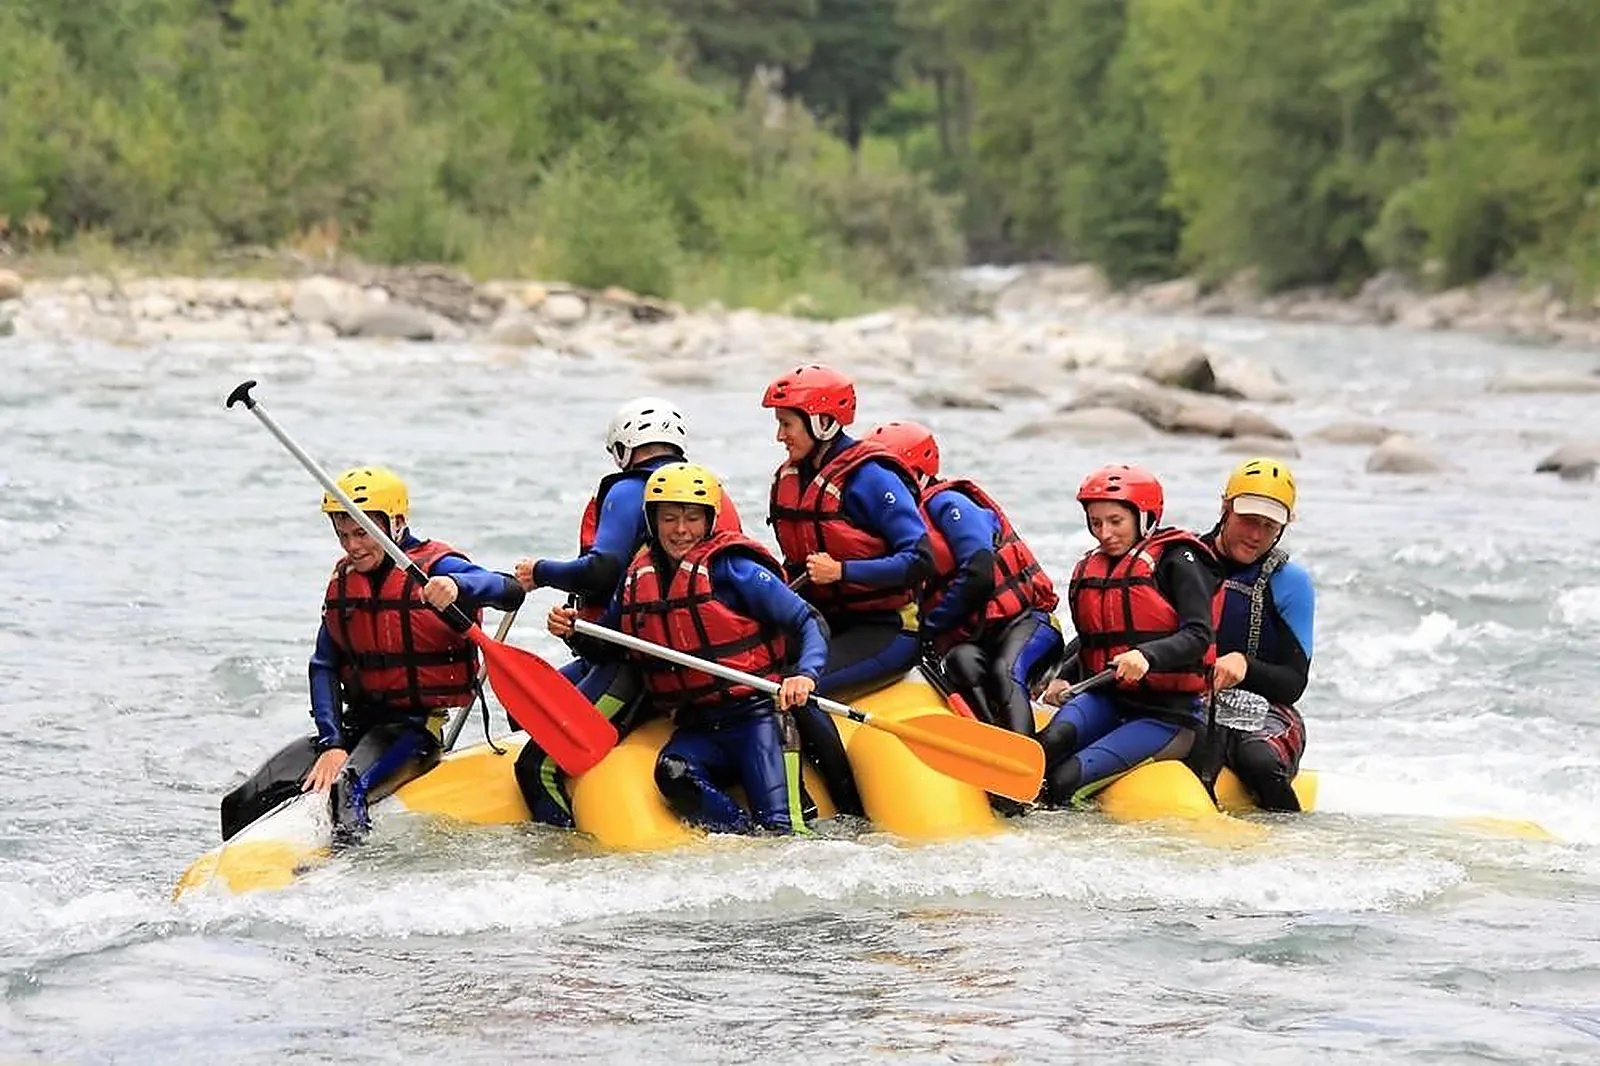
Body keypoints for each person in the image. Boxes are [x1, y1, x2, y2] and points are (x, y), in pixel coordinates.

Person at [220, 466, 526, 843]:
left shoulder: (436, 566)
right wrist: (332, 743)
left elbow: (509, 590)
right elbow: (324, 666)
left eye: (362, 532)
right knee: (241, 801)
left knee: (346, 788)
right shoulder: (345, 580)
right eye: (343, 535)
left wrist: (457, 585)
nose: (352, 546)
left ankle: (349, 868)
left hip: (414, 729)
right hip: (356, 725)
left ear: (395, 524)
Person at [548, 463, 826, 834]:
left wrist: (805, 674)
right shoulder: (636, 579)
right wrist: (573, 632)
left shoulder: (735, 569)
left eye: (693, 518)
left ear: (709, 521)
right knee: (673, 773)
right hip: (699, 725)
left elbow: (807, 621)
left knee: (780, 828)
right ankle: (740, 836)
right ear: (652, 521)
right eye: (669, 518)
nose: (681, 530)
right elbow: (608, 645)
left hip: (758, 719)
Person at [511, 396, 741, 827]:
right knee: (523, 709)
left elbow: (603, 570)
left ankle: (562, 851)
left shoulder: (629, 490)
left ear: (622, 448)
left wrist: (540, 572)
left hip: (638, 663)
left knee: (535, 766)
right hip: (695, 657)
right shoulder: (710, 496)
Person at [763, 364, 933, 817]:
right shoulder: (791, 478)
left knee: (798, 688)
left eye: (787, 424)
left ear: (822, 422)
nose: (780, 436)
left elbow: (919, 559)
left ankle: (848, 807)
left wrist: (843, 571)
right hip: (824, 624)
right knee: (751, 669)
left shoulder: (871, 477)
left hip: (885, 629)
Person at [1037, 464, 1222, 808]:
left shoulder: (1179, 560)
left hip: (1169, 716)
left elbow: (1199, 635)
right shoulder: (1095, 565)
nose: (1104, 533)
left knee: (1063, 781)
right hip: (1109, 699)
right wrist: (1062, 676)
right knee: (1046, 746)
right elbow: (1094, 641)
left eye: (1115, 521)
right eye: (1095, 523)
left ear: (1144, 517)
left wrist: (1147, 656)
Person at [866, 420, 1064, 740]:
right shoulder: (897, 526)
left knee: (1004, 672)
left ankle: (1027, 754)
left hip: (1029, 624)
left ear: (918, 473)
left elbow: (978, 574)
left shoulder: (950, 503)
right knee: (961, 663)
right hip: (975, 639)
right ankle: (994, 744)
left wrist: (928, 628)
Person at [1188, 457, 1314, 811]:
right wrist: (1065, 674)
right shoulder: (1181, 560)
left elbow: (1293, 683)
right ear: (1225, 508)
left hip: (1263, 709)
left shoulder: (1291, 582)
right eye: (1248, 519)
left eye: (1269, 525)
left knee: (1258, 760)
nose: (1256, 534)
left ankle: (1291, 834)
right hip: (1186, 699)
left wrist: (1246, 665)